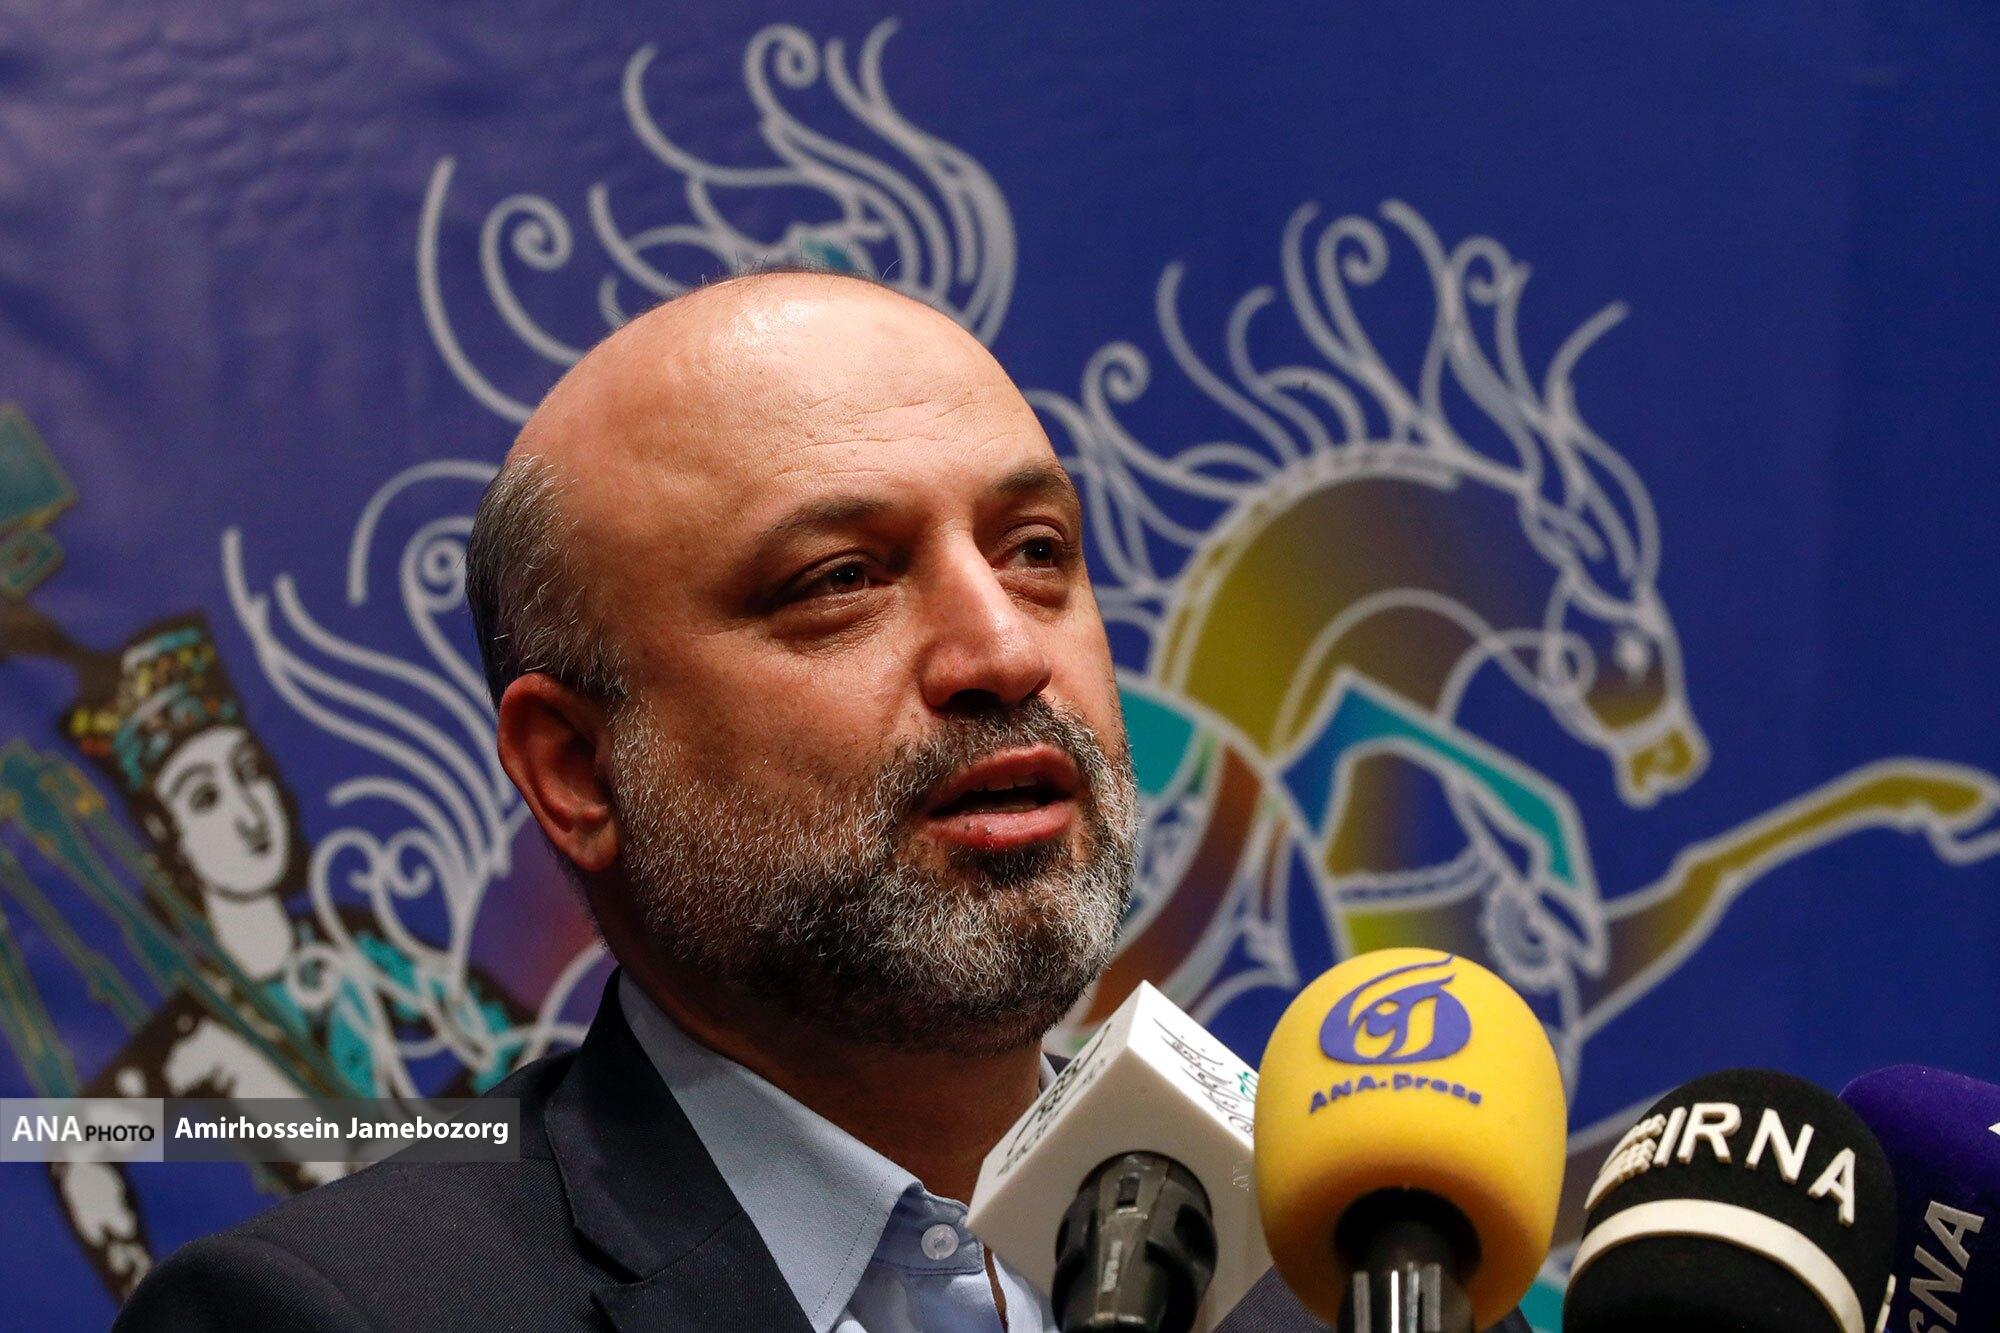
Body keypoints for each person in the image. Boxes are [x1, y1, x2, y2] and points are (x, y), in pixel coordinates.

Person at [115, 270, 1531, 1331]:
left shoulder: (1337, 1284)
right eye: (840, 579)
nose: (1004, 650)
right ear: (576, 768)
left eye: (1036, 550)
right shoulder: (331, 1319)